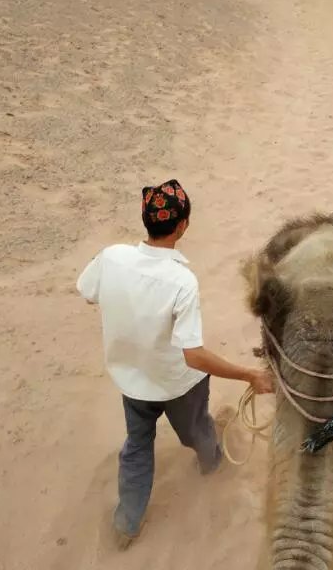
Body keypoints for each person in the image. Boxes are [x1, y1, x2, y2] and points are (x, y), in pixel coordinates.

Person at [76, 179, 273, 548]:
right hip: (178, 383)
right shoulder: (182, 281)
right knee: (196, 429)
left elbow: (86, 290)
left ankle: (127, 523)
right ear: (182, 226)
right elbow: (193, 355)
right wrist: (249, 374)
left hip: (132, 380)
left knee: (136, 446)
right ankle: (212, 462)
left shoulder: (112, 256)